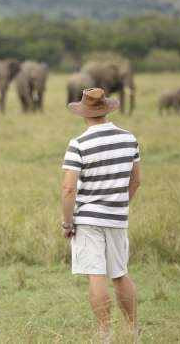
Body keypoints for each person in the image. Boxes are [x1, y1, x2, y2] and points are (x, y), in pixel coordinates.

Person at [61, 88, 141, 342]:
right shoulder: (129, 139)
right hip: (117, 217)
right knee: (119, 273)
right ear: (106, 109)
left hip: (88, 219)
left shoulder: (79, 144)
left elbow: (69, 188)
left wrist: (68, 221)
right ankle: (132, 330)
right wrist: (117, 204)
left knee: (96, 274)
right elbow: (136, 181)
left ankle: (104, 333)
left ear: (84, 113)